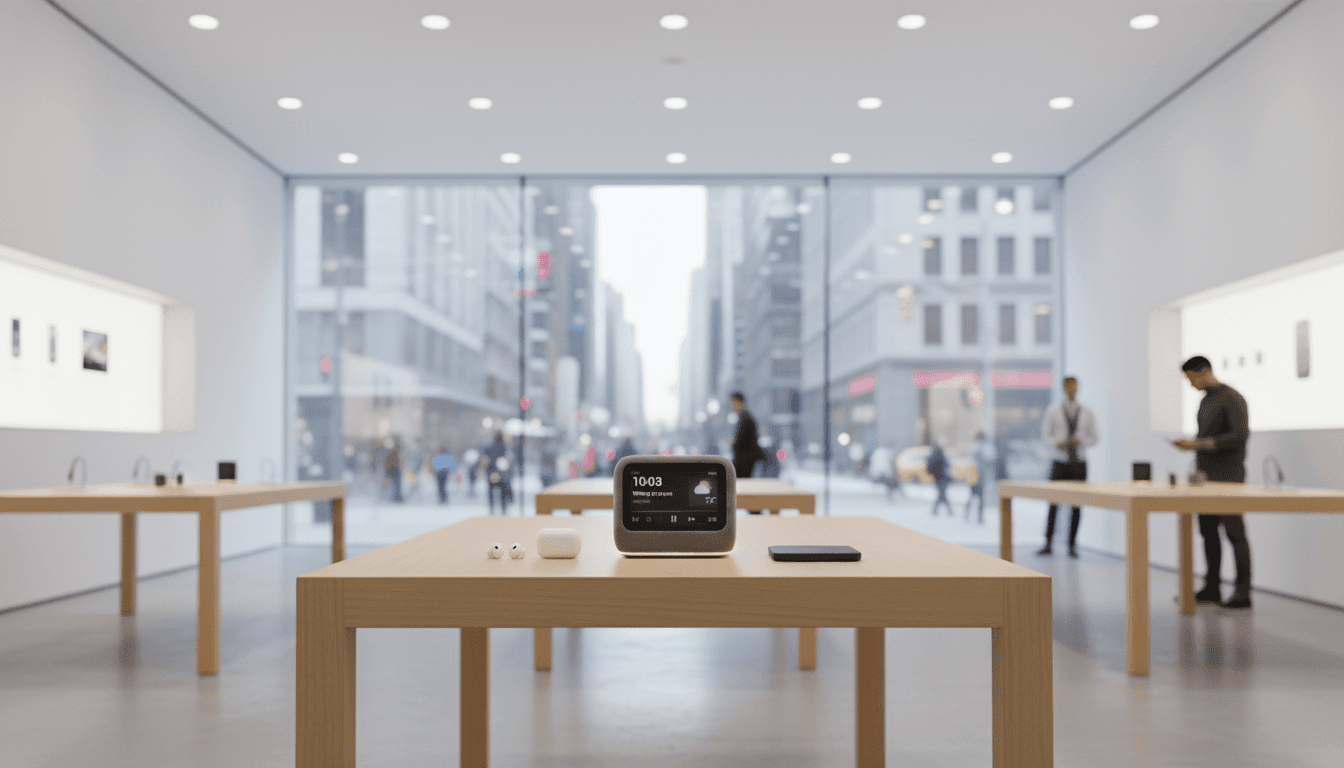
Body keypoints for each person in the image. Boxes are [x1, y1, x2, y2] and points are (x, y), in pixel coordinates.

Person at [1176, 355, 1252, 609]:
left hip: (1228, 477)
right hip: (1206, 476)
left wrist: (1201, 444)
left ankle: (1243, 592)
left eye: (1191, 378)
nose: (1190, 384)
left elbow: (1239, 435)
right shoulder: (1206, 401)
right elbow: (1207, 436)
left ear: (1205, 371)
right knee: (1208, 532)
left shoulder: (1231, 397)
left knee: (1234, 533)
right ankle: (1212, 588)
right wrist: (1196, 445)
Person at [1038, 376, 1098, 557]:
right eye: (1069, 386)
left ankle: (1072, 544)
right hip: (1060, 461)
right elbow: (1046, 434)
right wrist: (1056, 442)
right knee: (1053, 502)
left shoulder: (1086, 411)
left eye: (1075, 386)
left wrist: (1080, 440)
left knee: (1077, 504)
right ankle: (1048, 542)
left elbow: (1094, 437)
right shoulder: (1054, 410)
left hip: (1078, 462)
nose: (1073, 389)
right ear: (1064, 388)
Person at [730, 392, 768, 513]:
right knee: (746, 495)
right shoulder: (744, 418)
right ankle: (757, 517)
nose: (731, 406)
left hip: (746, 463)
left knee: (747, 495)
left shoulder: (746, 419)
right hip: (745, 462)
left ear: (739, 402)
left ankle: (757, 518)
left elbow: (742, 443)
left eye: (732, 403)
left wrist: (733, 442)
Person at [964, 431, 995, 524]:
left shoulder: (985, 448)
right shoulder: (975, 447)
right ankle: (969, 514)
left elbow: (990, 459)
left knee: (980, 498)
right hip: (975, 477)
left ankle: (979, 516)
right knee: (973, 496)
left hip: (980, 478)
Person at [481, 432, 512, 515]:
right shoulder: (505, 447)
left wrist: (487, 470)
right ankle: (504, 509)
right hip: (502, 473)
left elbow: (485, 459)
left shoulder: (488, 447)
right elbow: (508, 460)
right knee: (503, 492)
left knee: (491, 491)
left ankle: (492, 509)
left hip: (491, 472)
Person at [926, 443, 953, 516]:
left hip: (937, 477)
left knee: (942, 494)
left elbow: (929, 468)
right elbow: (946, 464)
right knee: (942, 494)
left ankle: (937, 510)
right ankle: (947, 510)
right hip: (943, 477)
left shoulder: (932, 455)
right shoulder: (940, 454)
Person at [383, 438, 404, 503]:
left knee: (397, 486)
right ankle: (393, 497)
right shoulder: (387, 452)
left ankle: (397, 497)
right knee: (392, 485)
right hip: (391, 470)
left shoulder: (395, 452)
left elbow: (397, 461)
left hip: (395, 470)